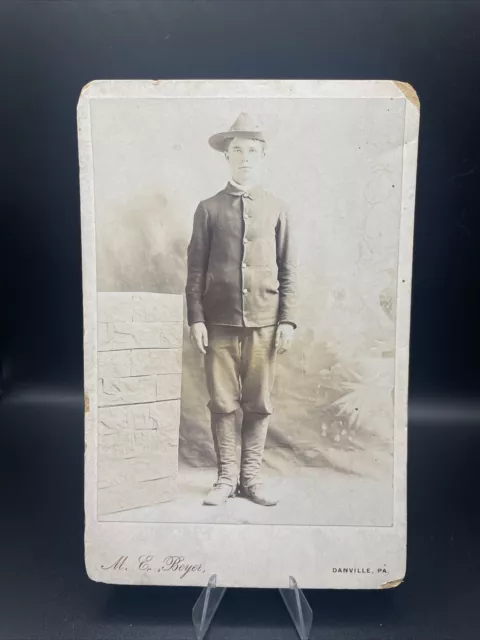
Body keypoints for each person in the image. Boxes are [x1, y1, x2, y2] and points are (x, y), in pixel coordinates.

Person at [185, 112, 297, 507]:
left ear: (263, 156)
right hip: (218, 323)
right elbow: (195, 268)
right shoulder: (208, 208)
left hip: (266, 323)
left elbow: (289, 269)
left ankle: (251, 479)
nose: (245, 157)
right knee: (221, 402)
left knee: (259, 403)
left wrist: (287, 320)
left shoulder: (278, 208)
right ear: (227, 157)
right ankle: (225, 479)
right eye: (237, 150)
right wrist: (196, 318)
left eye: (252, 150)